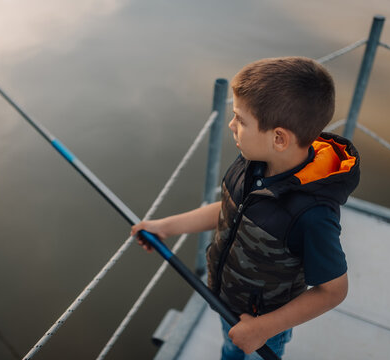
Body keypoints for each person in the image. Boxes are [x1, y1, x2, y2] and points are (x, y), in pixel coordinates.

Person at [131, 57, 360, 359]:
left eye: (240, 119)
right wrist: (167, 226)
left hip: (262, 326)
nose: (230, 124)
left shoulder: (312, 215)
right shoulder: (254, 163)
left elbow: (333, 291)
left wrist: (264, 328)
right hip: (229, 301)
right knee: (230, 350)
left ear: (279, 138)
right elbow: (230, 209)